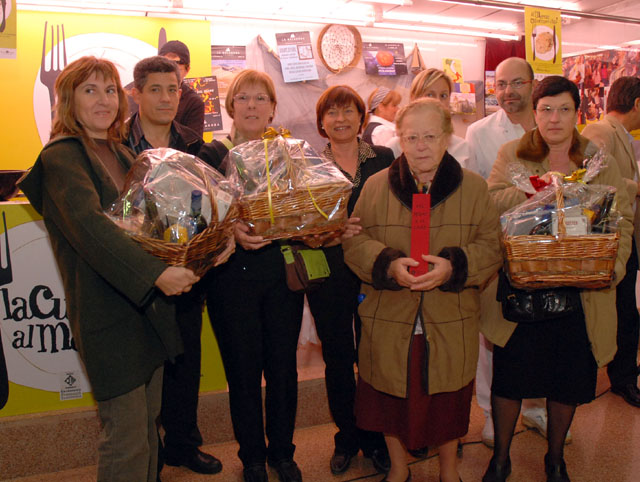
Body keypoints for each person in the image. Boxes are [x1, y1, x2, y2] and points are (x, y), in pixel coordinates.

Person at [18, 56, 200, 482]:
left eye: (110, 90)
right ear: (67, 99)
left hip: (146, 314)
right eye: (90, 90)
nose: (103, 100)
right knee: (127, 437)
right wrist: (156, 274)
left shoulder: (121, 151)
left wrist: (203, 249)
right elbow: (92, 229)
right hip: (108, 315)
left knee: (148, 425)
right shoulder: (63, 157)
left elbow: (153, 224)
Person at [482, 76, 633, 482]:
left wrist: (613, 269)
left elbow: (621, 218)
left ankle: (555, 459)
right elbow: (491, 202)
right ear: (534, 113)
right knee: (511, 376)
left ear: (577, 114)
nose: (554, 118)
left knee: (568, 378)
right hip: (524, 286)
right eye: (546, 109)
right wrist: (537, 190)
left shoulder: (598, 158)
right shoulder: (513, 154)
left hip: (581, 286)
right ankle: (500, 459)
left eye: (564, 109)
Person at [344, 98, 502, 482]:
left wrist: (454, 266)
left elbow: (492, 245)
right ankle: (399, 469)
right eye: (411, 137)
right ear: (399, 138)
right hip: (390, 313)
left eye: (430, 136)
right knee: (389, 400)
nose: (420, 146)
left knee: (446, 402)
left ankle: (449, 471)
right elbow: (354, 240)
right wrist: (387, 263)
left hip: (449, 314)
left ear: (448, 136)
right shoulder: (376, 186)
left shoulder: (475, 188)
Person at [199, 69, 304, 482]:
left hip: (280, 272)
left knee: (282, 368)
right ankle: (253, 458)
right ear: (230, 106)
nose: (252, 106)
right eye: (243, 98)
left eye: (261, 99)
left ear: (273, 107)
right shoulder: (210, 155)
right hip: (230, 277)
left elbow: (303, 207)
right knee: (242, 371)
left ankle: (283, 452)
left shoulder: (290, 154)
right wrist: (231, 230)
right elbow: (200, 216)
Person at [125, 56, 224, 476]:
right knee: (141, 370)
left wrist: (220, 239)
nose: (167, 98)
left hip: (186, 275)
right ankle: (146, 454)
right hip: (132, 278)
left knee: (184, 364)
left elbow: (214, 207)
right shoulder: (116, 144)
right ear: (136, 93)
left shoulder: (195, 145)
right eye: (156, 89)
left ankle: (183, 444)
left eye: (174, 89)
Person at [466, 57, 566, 448]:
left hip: (552, 251)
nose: (508, 91)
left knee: (546, 330)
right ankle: (491, 412)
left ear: (533, 84)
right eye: (501, 84)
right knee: (495, 333)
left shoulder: (554, 127)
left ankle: (537, 407)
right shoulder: (480, 132)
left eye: (517, 83)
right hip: (500, 248)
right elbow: (478, 195)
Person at [308, 85, 393, 475]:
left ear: (362, 117)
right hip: (328, 271)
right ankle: (346, 437)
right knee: (338, 357)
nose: (341, 119)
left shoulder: (385, 158)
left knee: (374, 354)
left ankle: (376, 436)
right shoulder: (308, 164)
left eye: (348, 111)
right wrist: (330, 229)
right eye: (332, 113)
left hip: (376, 269)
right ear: (322, 122)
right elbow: (302, 224)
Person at [582, 76, 640, 408]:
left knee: (625, 311)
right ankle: (620, 377)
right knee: (615, 311)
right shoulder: (599, 132)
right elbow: (593, 183)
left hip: (621, 233)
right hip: (607, 237)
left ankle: (622, 376)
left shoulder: (619, 135)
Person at [386, 68, 472, 168]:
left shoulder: (462, 147)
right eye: (430, 95)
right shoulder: (394, 148)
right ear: (414, 98)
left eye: (443, 95)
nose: (438, 101)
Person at [159, 40, 205, 138]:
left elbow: (194, 145)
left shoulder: (194, 102)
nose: (168, 74)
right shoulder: (147, 94)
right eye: (164, 67)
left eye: (175, 69)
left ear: (187, 70)